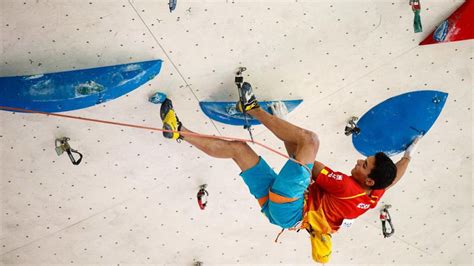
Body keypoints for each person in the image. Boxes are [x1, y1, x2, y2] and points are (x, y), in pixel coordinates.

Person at [159, 82, 421, 263]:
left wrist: (284, 127)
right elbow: (395, 176)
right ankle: (178, 130)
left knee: (311, 140)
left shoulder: (348, 187)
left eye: (363, 165)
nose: (358, 161)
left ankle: (251, 108)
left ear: (368, 179)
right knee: (239, 149)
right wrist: (408, 154)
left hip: (292, 207)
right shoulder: (373, 192)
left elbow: (301, 153)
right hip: (282, 215)